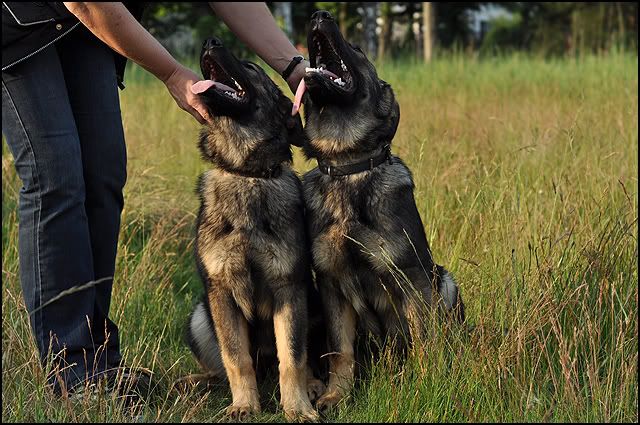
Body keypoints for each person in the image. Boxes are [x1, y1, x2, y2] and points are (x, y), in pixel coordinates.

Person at [1, 2, 308, 399]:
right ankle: (72, 371)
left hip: (83, 28)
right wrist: (171, 73)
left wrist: (292, 65)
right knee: (56, 177)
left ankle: (100, 363)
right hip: (20, 22)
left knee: (103, 175)